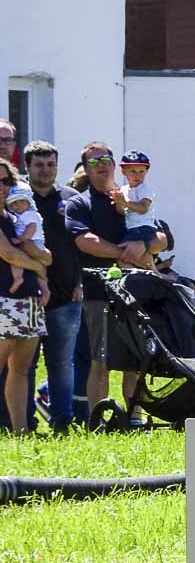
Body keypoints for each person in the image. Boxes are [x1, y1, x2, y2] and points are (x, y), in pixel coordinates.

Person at [65, 141, 166, 421]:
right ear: (86, 168)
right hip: (100, 293)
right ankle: (99, 420)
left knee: (136, 360)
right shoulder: (79, 202)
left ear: (114, 164)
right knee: (101, 361)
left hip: (137, 291)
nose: (102, 165)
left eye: (106, 159)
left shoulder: (132, 197)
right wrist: (125, 253)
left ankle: (136, 418)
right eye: (94, 162)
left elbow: (162, 239)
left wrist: (143, 245)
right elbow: (85, 242)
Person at [24, 141, 83, 432]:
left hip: (67, 296)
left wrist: (80, 283)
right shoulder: (17, 198)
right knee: (26, 366)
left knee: (62, 364)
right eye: (39, 164)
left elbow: (82, 245)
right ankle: (24, 420)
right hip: (27, 296)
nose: (45, 170)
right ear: (27, 167)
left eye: (50, 164)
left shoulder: (71, 199)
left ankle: (63, 420)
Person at [0, 161, 49, 434]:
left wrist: (42, 263)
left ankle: (21, 431)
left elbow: (47, 254)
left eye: (5, 181)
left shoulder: (17, 218)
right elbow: (8, 254)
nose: (1, 187)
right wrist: (39, 265)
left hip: (29, 301)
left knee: (20, 369)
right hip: (3, 301)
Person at [116, 151, 157, 270]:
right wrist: (118, 202)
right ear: (124, 171)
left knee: (123, 256)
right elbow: (121, 212)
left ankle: (146, 275)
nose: (137, 175)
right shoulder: (123, 190)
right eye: (132, 171)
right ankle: (152, 274)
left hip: (143, 228)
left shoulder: (144, 189)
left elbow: (143, 208)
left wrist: (124, 202)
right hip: (131, 229)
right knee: (140, 256)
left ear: (146, 172)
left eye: (141, 171)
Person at [6, 182, 44, 295]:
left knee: (17, 258)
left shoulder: (29, 214)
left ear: (28, 202)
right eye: (14, 203)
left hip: (32, 242)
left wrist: (22, 239)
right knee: (18, 261)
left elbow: (31, 227)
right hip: (29, 241)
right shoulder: (20, 216)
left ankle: (19, 278)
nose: (17, 205)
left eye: (21, 201)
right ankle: (21, 278)